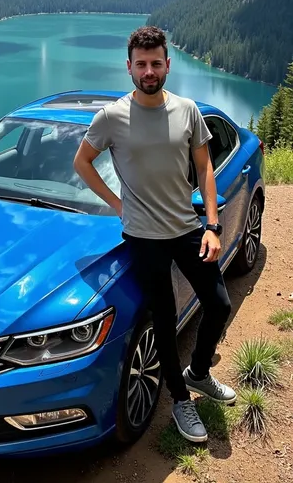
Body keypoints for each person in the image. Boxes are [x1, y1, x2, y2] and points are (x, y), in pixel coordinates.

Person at [73, 25, 235, 443]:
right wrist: (118, 204)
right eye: (141, 64)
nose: (149, 71)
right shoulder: (111, 116)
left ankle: (198, 372)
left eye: (156, 63)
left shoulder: (186, 111)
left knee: (218, 304)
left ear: (167, 64)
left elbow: (204, 169)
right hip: (143, 236)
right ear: (129, 67)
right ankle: (180, 401)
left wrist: (213, 225)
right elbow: (83, 163)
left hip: (186, 227)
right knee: (163, 319)